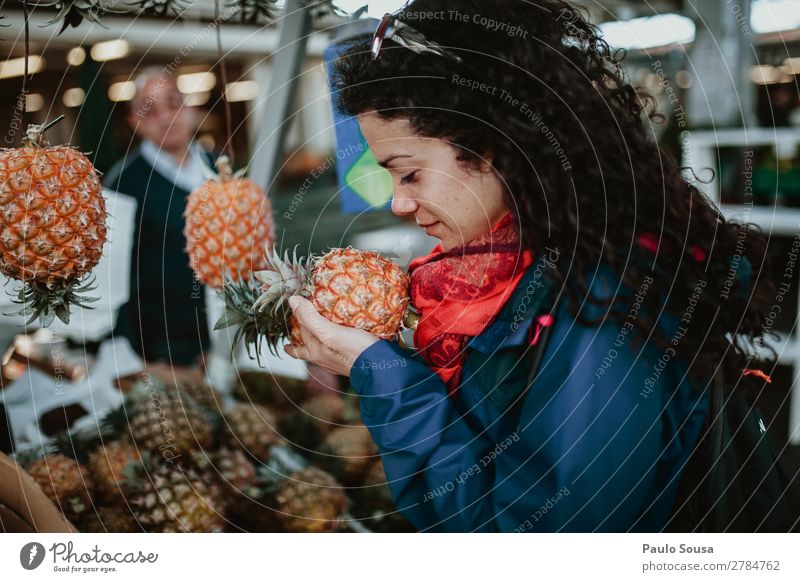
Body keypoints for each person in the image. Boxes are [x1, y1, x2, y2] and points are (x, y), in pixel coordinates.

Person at [284, 0, 774, 532]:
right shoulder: (511, 269)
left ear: (493, 146)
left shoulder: (603, 311)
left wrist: (386, 378)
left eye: (409, 174)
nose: (398, 203)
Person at [104, 68, 213, 365]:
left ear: (189, 107)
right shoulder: (123, 184)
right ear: (133, 122)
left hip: (224, 340)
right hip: (165, 351)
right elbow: (114, 277)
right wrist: (140, 360)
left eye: (173, 103)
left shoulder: (218, 168)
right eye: (149, 111)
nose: (166, 118)